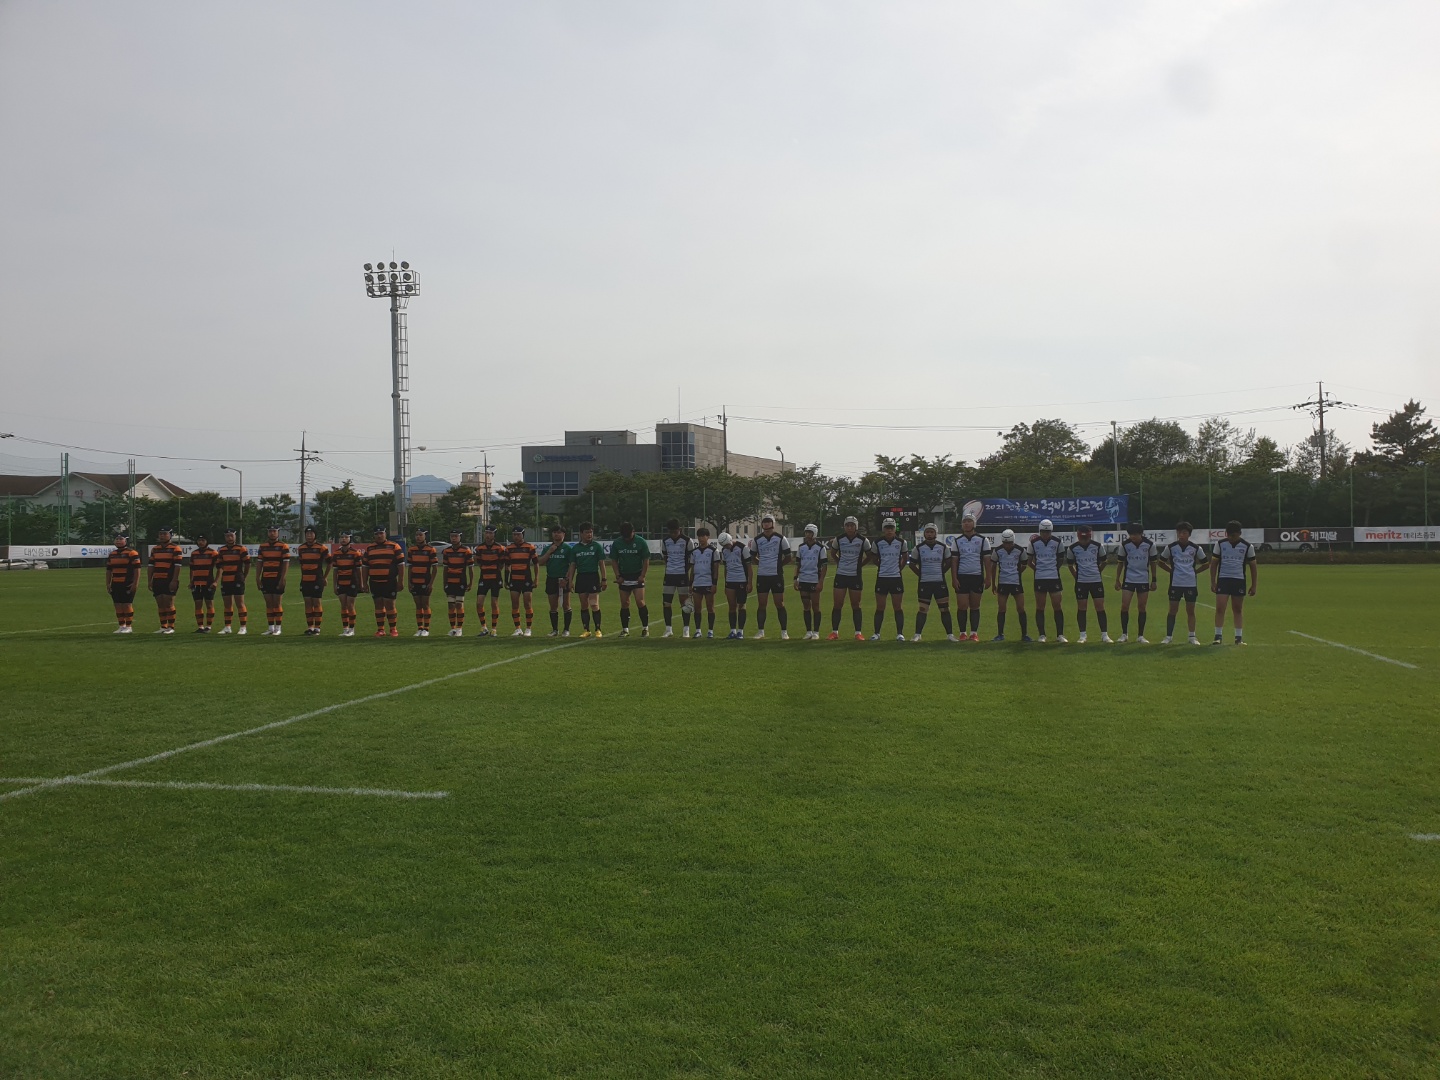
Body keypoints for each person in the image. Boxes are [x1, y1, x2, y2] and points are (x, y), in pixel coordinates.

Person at [1158, 521, 1209, 645]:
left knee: (1190, 610)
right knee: (1172, 610)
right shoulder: (1170, 547)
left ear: (1189, 534)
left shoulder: (1196, 548)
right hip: (1175, 583)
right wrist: (1171, 571)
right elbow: (1161, 562)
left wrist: (1195, 572)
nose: (1181, 535)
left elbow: (1206, 564)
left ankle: (1192, 637)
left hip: (1190, 583)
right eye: (1179, 533)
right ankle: (1168, 637)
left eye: (1184, 533)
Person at [1210, 520, 1258, 645]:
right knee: (1220, 607)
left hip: (1239, 580)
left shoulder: (1247, 546)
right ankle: (1218, 636)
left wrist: (1254, 585)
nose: (1231, 538)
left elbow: (1253, 566)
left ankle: (1238, 638)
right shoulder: (1220, 544)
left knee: (1237, 609)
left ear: (1239, 534)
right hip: (1223, 579)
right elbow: (1214, 564)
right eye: (1229, 535)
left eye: (1234, 535)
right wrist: (1213, 581)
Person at [909, 523, 958, 642]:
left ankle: (950, 635)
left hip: (939, 582)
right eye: (927, 532)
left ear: (936, 533)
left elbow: (949, 562)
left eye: (932, 532)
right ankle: (917, 634)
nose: (929, 534)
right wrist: (921, 574)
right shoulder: (918, 548)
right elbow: (912, 564)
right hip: (924, 583)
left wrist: (941, 572)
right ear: (924, 534)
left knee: (944, 609)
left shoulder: (943, 547)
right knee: (922, 609)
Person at [1066, 525, 1112, 644]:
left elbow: (1104, 561)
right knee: (1082, 608)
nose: (1084, 540)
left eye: (1086, 538)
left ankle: (1104, 635)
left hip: (1096, 581)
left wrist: (1097, 571)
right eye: (1082, 538)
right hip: (1081, 582)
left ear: (1090, 536)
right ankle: (1082, 635)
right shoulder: (1072, 548)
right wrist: (1076, 576)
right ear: (1078, 536)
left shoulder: (1098, 546)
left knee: (1100, 607)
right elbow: (1070, 565)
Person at [828, 516, 871, 641]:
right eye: (847, 525)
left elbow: (869, 556)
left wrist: (860, 565)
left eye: (852, 525)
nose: (849, 528)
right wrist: (840, 563)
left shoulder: (863, 540)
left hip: (855, 576)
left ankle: (858, 633)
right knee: (837, 604)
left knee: (856, 604)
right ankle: (834, 632)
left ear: (856, 527)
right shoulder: (839, 539)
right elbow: (833, 553)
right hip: (841, 575)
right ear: (844, 527)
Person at [750, 514, 791, 640]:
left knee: (779, 603)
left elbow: (788, 557)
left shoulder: (781, 538)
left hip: (776, 576)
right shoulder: (757, 539)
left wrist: (778, 566)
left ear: (773, 524)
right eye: (764, 522)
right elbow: (753, 556)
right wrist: (762, 564)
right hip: (762, 576)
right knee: (762, 604)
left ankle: (784, 632)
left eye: (768, 522)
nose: (766, 524)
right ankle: (760, 631)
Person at [1115, 523, 1158, 643]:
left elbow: (1153, 563)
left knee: (1142, 607)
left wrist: (1154, 580)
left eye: (1135, 534)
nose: (1132, 537)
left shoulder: (1150, 545)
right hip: (1129, 579)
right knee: (1125, 606)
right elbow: (1120, 563)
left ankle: (1140, 636)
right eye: (1130, 534)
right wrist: (1117, 579)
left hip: (1143, 579)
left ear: (1140, 534)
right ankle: (1124, 634)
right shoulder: (1125, 545)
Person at [949, 515, 989, 642]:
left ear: (974, 524)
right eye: (964, 522)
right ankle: (962, 633)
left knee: (975, 606)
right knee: (962, 606)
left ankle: (974, 633)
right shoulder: (957, 541)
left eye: (969, 521)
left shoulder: (983, 540)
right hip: (962, 577)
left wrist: (988, 577)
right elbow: (954, 561)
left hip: (977, 576)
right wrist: (954, 578)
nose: (966, 524)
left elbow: (987, 560)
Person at [988, 528, 1031, 642]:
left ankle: (1024, 635)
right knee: (1002, 608)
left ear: (1013, 541)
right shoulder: (997, 551)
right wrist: (993, 584)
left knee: (1021, 608)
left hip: (1016, 582)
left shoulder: (1020, 550)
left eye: (1009, 543)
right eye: (1005, 543)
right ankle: (1000, 634)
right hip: (1003, 582)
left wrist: (1017, 573)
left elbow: (1024, 564)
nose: (1007, 545)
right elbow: (993, 567)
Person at [609, 521, 651, 636]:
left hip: (637, 575)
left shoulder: (641, 542)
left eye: (629, 536)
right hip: (624, 576)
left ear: (633, 532)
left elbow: (646, 559)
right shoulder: (617, 543)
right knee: (625, 603)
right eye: (625, 537)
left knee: (640, 601)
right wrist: (618, 576)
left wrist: (642, 576)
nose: (627, 539)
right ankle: (625, 629)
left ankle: (645, 628)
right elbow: (614, 560)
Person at [1029, 519, 1067, 643]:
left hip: (1054, 578)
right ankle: (1042, 635)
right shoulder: (1033, 543)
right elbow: (1029, 561)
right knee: (1040, 606)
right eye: (1043, 531)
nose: (1045, 534)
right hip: (1040, 578)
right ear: (1039, 531)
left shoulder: (1057, 542)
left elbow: (1060, 559)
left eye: (1048, 532)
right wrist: (1039, 570)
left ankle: (1060, 635)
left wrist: (1053, 569)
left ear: (1051, 531)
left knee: (1057, 606)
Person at [363, 523, 404, 637]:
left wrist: (400, 581)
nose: (379, 536)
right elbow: (365, 567)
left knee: (390, 605)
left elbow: (401, 565)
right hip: (374, 581)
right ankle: (380, 629)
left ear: (385, 534)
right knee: (378, 605)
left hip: (389, 581)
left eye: (381, 533)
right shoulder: (370, 548)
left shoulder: (394, 546)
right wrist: (364, 583)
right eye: (376, 534)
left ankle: (393, 629)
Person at [870, 517, 907, 641]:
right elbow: (874, 558)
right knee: (880, 607)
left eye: (891, 528)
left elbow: (904, 558)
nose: (889, 530)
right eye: (887, 528)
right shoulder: (877, 542)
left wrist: (898, 569)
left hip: (896, 578)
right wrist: (882, 567)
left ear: (895, 529)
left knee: (898, 607)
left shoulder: (901, 542)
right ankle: (876, 633)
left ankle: (900, 634)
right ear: (883, 529)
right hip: (882, 578)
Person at [570, 522, 608, 637]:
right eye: (587, 532)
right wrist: (570, 581)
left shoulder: (596, 546)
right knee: (583, 604)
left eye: (591, 532)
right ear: (581, 533)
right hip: (581, 577)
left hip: (593, 576)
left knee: (594, 604)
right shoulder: (576, 548)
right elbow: (572, 566)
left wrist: (604, 579)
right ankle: (586, 630)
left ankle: (598, 629)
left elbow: (602, 563)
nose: (589, 534)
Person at [793, 524, 829, 639]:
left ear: (814, 534)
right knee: (806, 606)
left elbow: (824, 566)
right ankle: (808, 631)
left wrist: (821, 581)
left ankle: (816, 632)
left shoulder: (820, 548)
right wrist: (795, 578)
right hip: (803, 580)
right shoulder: (801, 547)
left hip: (814, 580)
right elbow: (797, 564)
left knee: (816, 606)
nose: (807, 535)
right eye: (806, 532)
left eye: (810, 533)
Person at [660, 519, 695, 638]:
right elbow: (665, 557)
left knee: (685, 603)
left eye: (675, 532)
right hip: (669, 575)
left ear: (680, 529)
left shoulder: (687, 541)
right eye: (671, 532)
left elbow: (692, 559)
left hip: (682, 575)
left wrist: (685, 570)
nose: (673, 534)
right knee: (666, 603)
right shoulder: (665, 541)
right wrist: (670, 568)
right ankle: (668, 629)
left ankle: (686, 630)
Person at [539, 524, 575, 637]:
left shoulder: (568, 549)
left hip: (563, 580)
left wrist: (567, 579)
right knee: (553, 606)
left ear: (563, 534)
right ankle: (555, 630)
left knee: (566, 605)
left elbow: (572, 565)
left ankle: (566, 630)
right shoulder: (547, 548)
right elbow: (540, 562)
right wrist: (549, 552)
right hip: (551, 579)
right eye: (554, 532)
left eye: (559, 532)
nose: (556, 534)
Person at [147, 525, 184, 634]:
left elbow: (177, 566)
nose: (162, 536)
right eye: (160, 534)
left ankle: (171, 627)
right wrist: (150, 580)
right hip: (157, 579)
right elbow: (151, 566)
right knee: (160, 603)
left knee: (169, 603)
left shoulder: (175, 548)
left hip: (169, 579)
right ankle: (163, 626)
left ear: (170, 535)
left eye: (165, 534)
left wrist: (174, 580)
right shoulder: (155, 549)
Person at [255, 525, 291, 635]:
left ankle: (278, 628)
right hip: (266, 578)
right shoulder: (263, 546)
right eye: (270, 531)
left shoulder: (283, 546)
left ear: (278, 533)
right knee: (268, 604)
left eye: (274, 531)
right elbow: (259, 563)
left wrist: (282, 578)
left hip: (277, 578)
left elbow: (286, 563)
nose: (272, 533)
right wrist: (257, 577)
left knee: (277, 603)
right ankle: (270, 628)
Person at [296, 526, 331, 636]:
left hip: (317, 580)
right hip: (305, 580)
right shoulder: (301, 548)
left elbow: (330, 562)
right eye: (307, 534)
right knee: (307, 603)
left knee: (316, 602)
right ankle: (310, 627)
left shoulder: (322, 548)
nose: (309, 535)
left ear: (315, 535)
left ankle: (317, 628)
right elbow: (301, 564)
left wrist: (324, 577)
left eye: (311, 533)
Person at [215, 527, 251, 635]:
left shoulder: (241, 549)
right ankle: (227, 627)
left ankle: (243, 627)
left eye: (231, 535)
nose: (229, 538)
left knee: (240, 603)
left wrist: (244, 576)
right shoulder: (222, 550)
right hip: (226, 579)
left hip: (237, 579)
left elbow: (247, 564)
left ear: (235, 536)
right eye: (227, 536)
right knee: (227, 604)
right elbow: (219, 565)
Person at [405, 527, 440, 637]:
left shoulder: (430, 550)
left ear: (425, 536)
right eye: (417, 535)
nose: (418, 537)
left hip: (425, 581)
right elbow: (410, 567)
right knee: (418, 605)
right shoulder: (411, 550)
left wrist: (431, 583)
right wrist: (409, 582)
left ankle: (426, 629)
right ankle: (419, 628)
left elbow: (435, 568)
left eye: (420, 535)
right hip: (415, 581)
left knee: (425, 604)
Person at [473, 524, 506, 636]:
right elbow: (478, 562)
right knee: (479, 603)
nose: (488, 535)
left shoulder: (499, 548)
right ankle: (484, 627)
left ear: (494, 535)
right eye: (486, 533)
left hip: (495, 578)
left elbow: (501, 564)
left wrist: (495, 571)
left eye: (490, 533)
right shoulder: (479, 548)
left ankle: (494, 629)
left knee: (494, 603)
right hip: (484, 578)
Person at [105, 533, 142, 634]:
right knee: (117, 605)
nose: (118, 541)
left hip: (127, 583)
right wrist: (108, 583)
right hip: (115, 583)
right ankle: (121, 626)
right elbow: (109, 570)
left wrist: (135, 583)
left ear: (126, 541)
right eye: (116, 539)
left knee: (127, 604)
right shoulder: (112, 554)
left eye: (120, 539)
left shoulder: (132, 553)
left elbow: (137, 569)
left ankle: (129, 626)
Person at [688, 526, 721, 638]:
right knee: (697, 608)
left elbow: (716, 569)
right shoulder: (695, 552)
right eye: (699, 536)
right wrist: (690, 584)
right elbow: (693, 569)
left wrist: (714, 584)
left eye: (703, 536)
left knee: (710, 607)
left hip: (708, 582)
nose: (701, 538)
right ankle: (698, 631)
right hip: (697, 583)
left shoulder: (713, 551)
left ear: (708, 537)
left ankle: (710, 631)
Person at [440, 528, 474, 637]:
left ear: (460, 537)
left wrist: (471, 582)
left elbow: (470, 568)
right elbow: (445, 568)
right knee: (451, 605)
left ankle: (459, 628)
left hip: (461, 581)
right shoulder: (447, 551)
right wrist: (444, 582)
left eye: (456, 536)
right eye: (452, 536)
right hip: (450, 581)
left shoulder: (466, 550)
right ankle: (453, 629)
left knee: (459, 604)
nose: (454, 538)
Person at [505, 525, 538, 636]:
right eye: (514, 535)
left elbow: (536, 564)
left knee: (527, 604)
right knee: (515, 605)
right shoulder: (509, 548)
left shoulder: (530, 547)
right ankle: (518, 628)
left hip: (526, 579)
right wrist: (506, 580)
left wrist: (536, 579)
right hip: (514, 580)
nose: (516, 537)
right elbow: (507, 565)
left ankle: (528, 628)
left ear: (522, 535)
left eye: (518, 535)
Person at [719, 530, 752, 639]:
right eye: (724, 546)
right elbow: (726, 567)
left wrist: (749, 582)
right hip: (730, 581)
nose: (726, 547)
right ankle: (732, 631)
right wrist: (725, 583)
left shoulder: (743, 548)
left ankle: (740, 631)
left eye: (727, 544)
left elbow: (749, 567)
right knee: (731, 606)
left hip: (742, 580)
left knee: (741, 605)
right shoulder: (724, 551)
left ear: (730, 540)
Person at [331, 531, 364, 637]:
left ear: (350, 539)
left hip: (352, 582)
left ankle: (352, 629)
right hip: (341, 582)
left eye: (346, 537)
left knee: (350, 605)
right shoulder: (336, 554)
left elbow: (359, 570)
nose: (343, 539)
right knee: (343, 605)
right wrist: (334, 585)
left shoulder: (355, 553)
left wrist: (361, 584)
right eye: (342, 537)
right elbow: (335, 571)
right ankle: (345, 629)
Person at [187, 533, 220, 633]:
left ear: (207, 541)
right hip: (196, 583)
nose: (201, 542)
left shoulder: (213, 553)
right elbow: (191, 569)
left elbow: (219, 568)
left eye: (203, 540)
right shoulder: (194, 553)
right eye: (199, 540)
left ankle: (208, 626)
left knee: (209, 604)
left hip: (208, 583)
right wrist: (191, 581)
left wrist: (216, 581)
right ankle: (200, 626)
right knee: (198, 604)